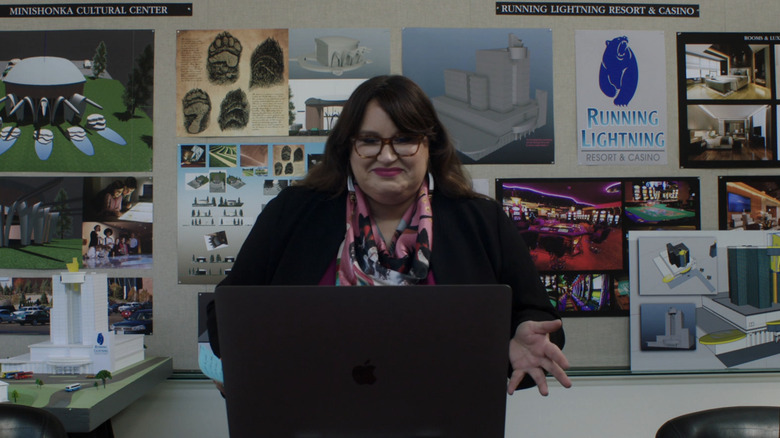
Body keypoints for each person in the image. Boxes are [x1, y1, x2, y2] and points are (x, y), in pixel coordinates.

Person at [206, 75, 570, 396]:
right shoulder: (293, 212)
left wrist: (524, 339)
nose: (387, 155)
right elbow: (228, 310)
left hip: (446, 419)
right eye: (369, 140)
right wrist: (240, 363)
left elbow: (535, 314)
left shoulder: (481, 219)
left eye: (405, 139)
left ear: (431, 145)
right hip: (308, 418)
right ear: (348, 147)